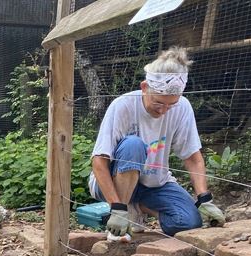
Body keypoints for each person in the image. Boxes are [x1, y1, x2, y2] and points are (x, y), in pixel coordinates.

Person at [89, 47, 225, 237]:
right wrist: (117, 207)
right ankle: (123, 214)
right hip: (113, 180)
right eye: (159, 102)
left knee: (189, 221)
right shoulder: (123, 106)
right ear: (145, 87)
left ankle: (138, 207)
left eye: (171, 104)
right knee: (133, 145)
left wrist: (204, 198)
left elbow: (193, 157)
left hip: (154, 184)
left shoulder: (183, 107)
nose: (164, 110)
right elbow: (99, 161)